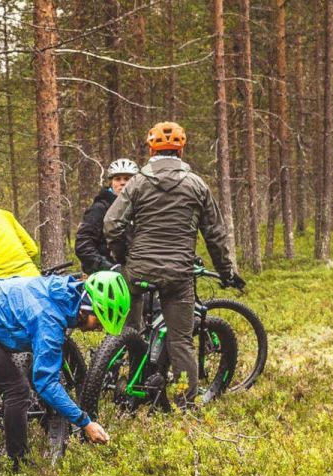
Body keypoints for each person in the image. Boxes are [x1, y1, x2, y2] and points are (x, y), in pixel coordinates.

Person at [103, 122, 245, 407]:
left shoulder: (138, 182)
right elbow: (215, 234)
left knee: (130, 331)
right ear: (181, 148)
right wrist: (227, 271)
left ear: (151, 148)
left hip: (138, 269)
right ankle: (184, 407)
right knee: (181, 340)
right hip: (178, 274)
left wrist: (124, 257)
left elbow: (112, 223)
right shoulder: (196, 184)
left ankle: (130, 390)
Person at [0, 271, 131, 465]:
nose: (98, 328)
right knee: (17, 390)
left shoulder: (58, 286)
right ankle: (18, 462)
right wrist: (85, 422)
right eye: (98, 321)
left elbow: (10, 283)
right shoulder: (49, 321)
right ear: (85, 307)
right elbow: (46, 384)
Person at [74, 157, 139, 275]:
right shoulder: (99, 209)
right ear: (111, 182)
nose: (122, 182)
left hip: (134, 274)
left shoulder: (139, 209)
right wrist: (107, 267)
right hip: (105, 277)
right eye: (117, 179)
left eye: (127, 178)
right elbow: (83, 245)